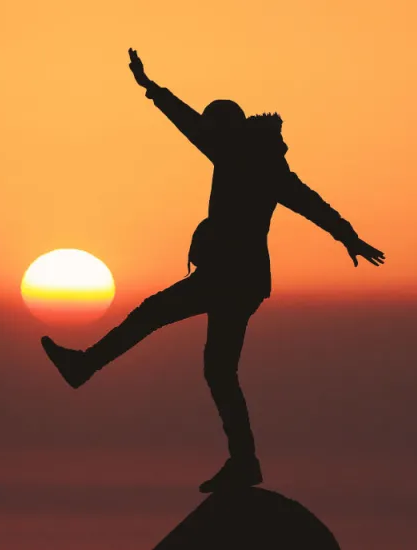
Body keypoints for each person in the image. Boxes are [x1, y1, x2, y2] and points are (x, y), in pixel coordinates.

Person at [41, 48, 385, 493]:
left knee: (155, 316)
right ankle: (244, 462)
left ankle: (85, 367)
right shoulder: (249, 155)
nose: (207, 137)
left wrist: (348, 236)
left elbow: (310, 203)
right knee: (218, 369)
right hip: (239, 281)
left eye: (213, 130)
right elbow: (192, 126)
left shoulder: (248, 159)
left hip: (230, 278)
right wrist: (151, 89)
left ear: (227, 130)